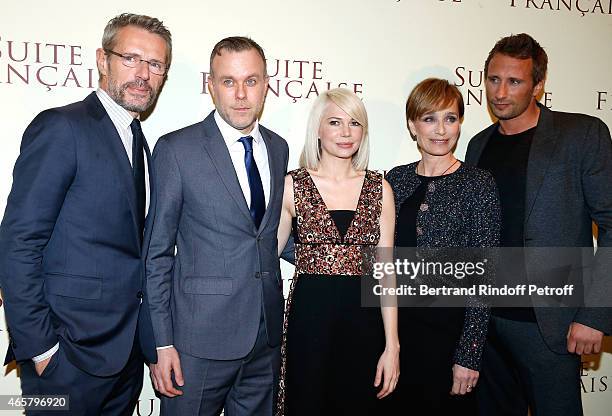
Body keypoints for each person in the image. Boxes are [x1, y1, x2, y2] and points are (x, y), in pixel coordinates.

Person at [0, 13, 170, 415]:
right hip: (66, 358)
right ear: (102, 59)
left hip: (124, 358)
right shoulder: (62, 127)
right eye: (131, 58)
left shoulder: (140, 141)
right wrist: (42, 349)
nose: (143, 73)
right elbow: (19, 241)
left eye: (155, 65)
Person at [466, 33, 612, 415]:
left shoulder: (581, 134)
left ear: (539, 85)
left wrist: (594, 314)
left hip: (549, 325)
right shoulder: (478, 145)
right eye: (494, 79)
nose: (500, 92)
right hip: (486, 323)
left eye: (514, 81)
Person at [146, 36, 289, 415]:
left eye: (251, 81)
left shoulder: (278, 148)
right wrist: (161, 343)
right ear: (211, 86)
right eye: (228, 81)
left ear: (266, 84)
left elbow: (269, 233)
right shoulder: (177, 150)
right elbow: (157, 253)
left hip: (264, 338)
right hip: (197, 341)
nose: (241, 94)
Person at [275, 88, 400, 416]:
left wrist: (392, 345)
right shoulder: (293, 185)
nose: (346, 133)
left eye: (355, 123)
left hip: (365, 323)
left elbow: (387, 275)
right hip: (308, 319)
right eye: (335, 122)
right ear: (318, 128)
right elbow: (263, 259)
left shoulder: (380, 188)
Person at [385, 78, 501, 415]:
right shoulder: (396, 179)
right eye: (429, 118)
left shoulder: (478, 184)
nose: (441, 129)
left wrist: (468, 354)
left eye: (450, 118)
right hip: (395, 333)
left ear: (460, 124)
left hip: (447, 335)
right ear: (412, 125)